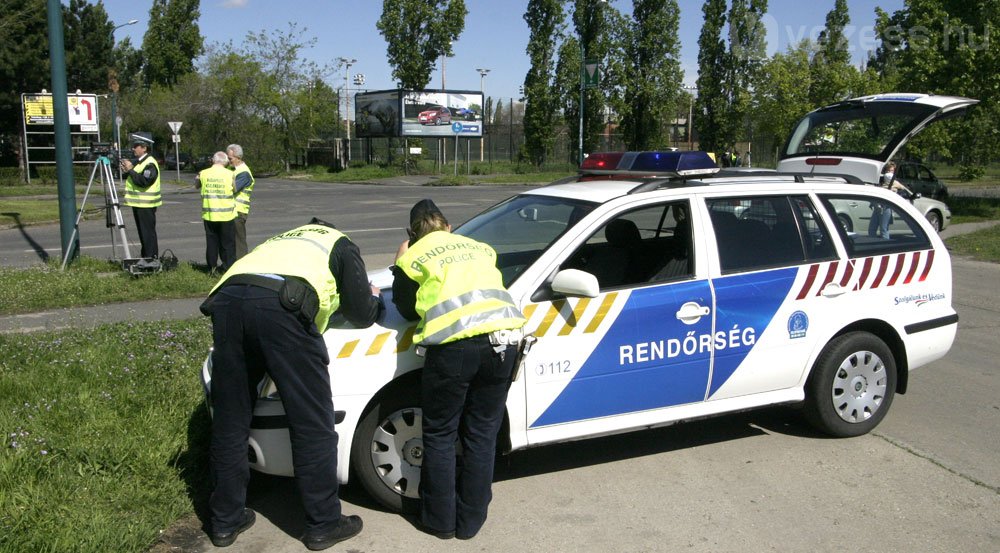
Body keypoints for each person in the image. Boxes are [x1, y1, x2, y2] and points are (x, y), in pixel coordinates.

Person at [202, 218, 382, 550]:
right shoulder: (338, 242)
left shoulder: (281, 239)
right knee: (311, 421)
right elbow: (361, 313)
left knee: (231, 418)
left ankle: (225, 521)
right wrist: (373, 298)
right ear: (331, 227)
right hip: (283, 308)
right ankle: (323, 524)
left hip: (227, 302)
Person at [391, 199, 526, 540]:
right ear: (449, 227)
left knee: (439, 434)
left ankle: (440, 521)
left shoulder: (413, 255)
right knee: (482, 435)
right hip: (505, 341)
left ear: (412, 233)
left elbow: (406, 308)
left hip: (455, 348)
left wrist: (400, 261)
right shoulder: (480, 247)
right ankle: (471, 522)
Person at [195, 151, 237, 272]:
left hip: (209, 214)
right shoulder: (230, 174)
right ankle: (228, 267)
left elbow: (196, 185)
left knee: (212, 242)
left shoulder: (204, 173)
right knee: (227, 244)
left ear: (213, 161)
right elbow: (234, 189)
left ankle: (211, 267)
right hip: (226, 215)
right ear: (225, 162)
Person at [120, 132, 160, 258]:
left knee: (147, 234)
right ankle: (146, 257)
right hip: (138, 203)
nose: (133, 148)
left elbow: (144, 181)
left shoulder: (150, 163)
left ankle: (151, 258)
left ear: (144, 148)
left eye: (136, 145)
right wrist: (127, 170)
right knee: (143, 234)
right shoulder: (139, 161)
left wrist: (130, 170)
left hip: (146, 205)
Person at [868, 161, 913, 239]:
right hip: (877, 208)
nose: (889, 173)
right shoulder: (880, 182)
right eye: (888, 171)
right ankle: (873, 244)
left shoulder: (895, 183)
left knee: (884, 229)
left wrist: (896, 191)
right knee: (871, 229)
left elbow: (906, 190)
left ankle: (885, 245)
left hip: (885, 208)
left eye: (891, 171)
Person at [227, 144, 255, 259]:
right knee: (231, 240)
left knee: (239, 242)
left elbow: (232, 189)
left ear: (238, 157)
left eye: (230, 159)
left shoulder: (244, 173)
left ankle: (241, 264)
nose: (228, 161)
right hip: (230, 211)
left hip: (238, 211)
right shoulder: (232, 169)